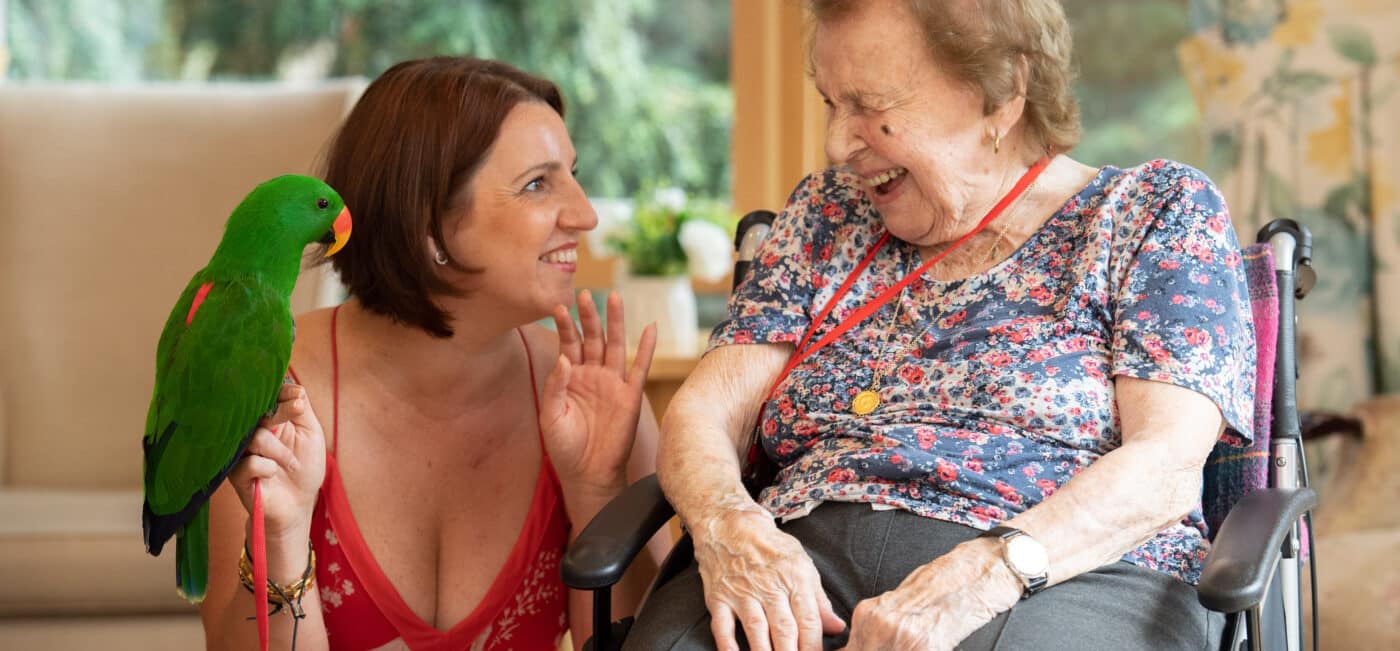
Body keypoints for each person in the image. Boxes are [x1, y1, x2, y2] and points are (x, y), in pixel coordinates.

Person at [627, 1, 1255, 649]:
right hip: (798, 558)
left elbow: (1166, 463)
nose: (838, 143)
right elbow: (703, 410)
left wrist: (987, 572)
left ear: (1003, 92)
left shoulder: (1149, 214)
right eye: (830, 102)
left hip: (1064, 572)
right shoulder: (824, 216)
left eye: (871, 106)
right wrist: (728, 526)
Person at [198, 56, 667, 650]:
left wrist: (597, 492)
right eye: (537, 184)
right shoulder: (270, 390)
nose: (585, 215)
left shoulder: (593, 398)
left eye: (573, 174)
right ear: (428, 224)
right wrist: (283, 538)